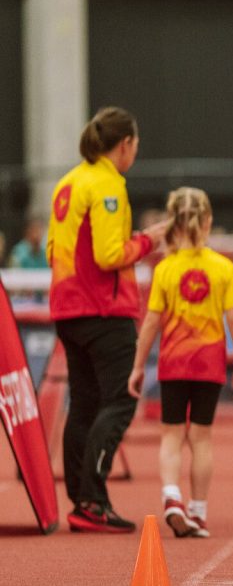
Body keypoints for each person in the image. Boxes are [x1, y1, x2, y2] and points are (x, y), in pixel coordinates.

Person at [47, 106, 167, 533]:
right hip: (102, 309)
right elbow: (109, 255)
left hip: (67, 307)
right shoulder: (108, 185)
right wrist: (149, 240)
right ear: (126, 145)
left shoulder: (69, 181)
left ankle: (82, 501)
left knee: (84, 404)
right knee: (120, 398)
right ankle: (93, 499)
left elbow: (51, 248)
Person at [127, 187, 233, 538]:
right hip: (208, 362)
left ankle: (171, 495)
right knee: (201, 437)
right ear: (208, 221)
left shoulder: (165, 269)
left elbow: (151, 321)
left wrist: (138, 366)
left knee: (171, 435)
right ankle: (197, 511)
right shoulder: (222, 267)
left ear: (172, 223)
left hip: (174, 360)